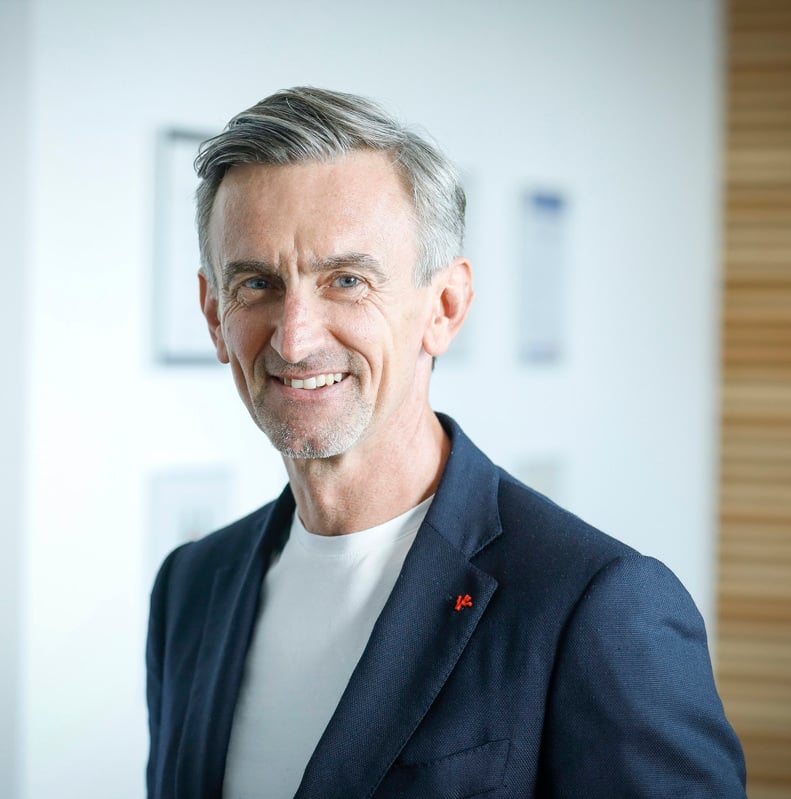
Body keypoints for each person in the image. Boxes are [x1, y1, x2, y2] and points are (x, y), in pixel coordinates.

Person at [146, 86, 747, 799]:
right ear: (214, 313)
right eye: (256, 283)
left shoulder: (594, 605)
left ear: (445, 307)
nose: (295, 338)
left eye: (347, 280)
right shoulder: (191, 587)